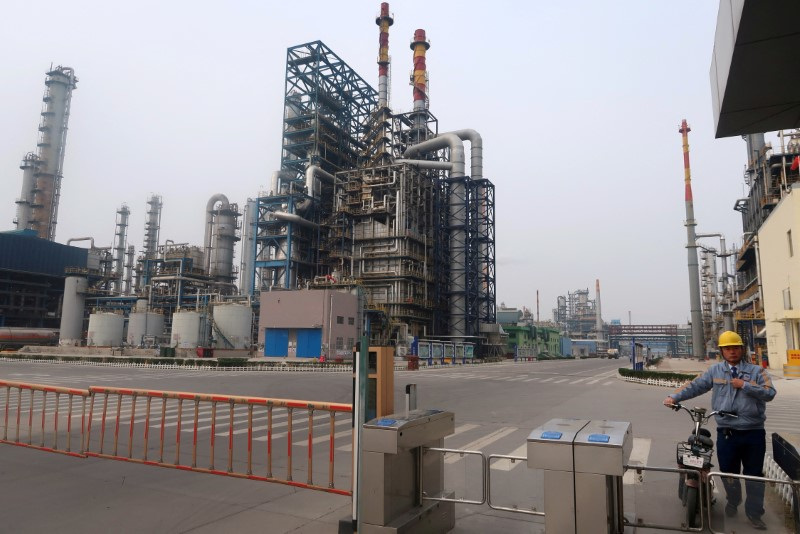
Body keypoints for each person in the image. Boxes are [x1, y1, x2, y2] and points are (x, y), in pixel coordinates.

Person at [663, 330, 776, 530]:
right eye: (727, 349)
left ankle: (754, 513)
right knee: (727, 472)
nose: (732, 352)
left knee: (754, 475)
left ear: (742, 349)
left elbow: (769, 393)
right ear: (722, 351)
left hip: (753, 432)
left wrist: (745, 386)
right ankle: (734, 501)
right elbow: (695, 386)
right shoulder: (715, 371)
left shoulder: (757, 372)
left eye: (735, 348)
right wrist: (674, 397)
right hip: (727, 431)